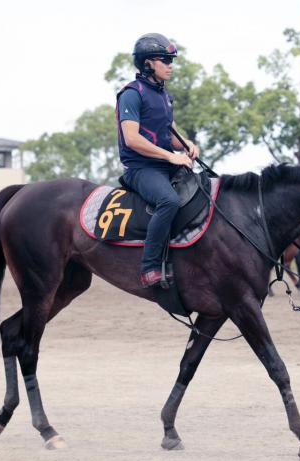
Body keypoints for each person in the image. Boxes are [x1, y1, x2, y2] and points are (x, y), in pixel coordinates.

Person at [116, 33, 199, 288]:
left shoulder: (165, 96)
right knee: (169, 200)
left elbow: (169, 134)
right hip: (141, 168)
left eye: (171, 60)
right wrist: (171, 156)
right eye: (165, 60)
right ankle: (149, 266)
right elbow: (132, 139)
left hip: (165, 164)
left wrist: (187, 145)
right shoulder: (131, 94)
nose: (170, 65)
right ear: (148, 63)